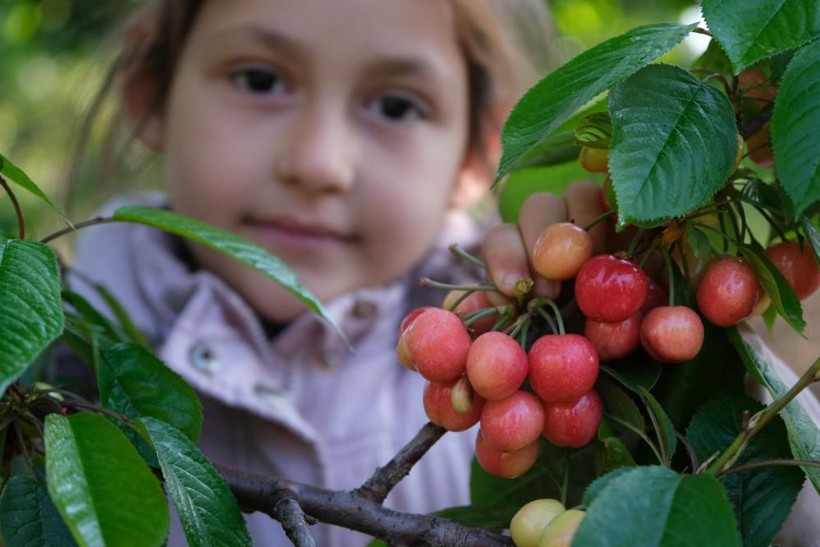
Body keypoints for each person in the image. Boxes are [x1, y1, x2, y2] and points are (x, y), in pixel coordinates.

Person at [65, 0, 555, 545]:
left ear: (479, 152)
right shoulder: (48, 371)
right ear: (152, 90)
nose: (319, 164)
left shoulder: (519, 367)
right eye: (260, 79)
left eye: (395, 106)